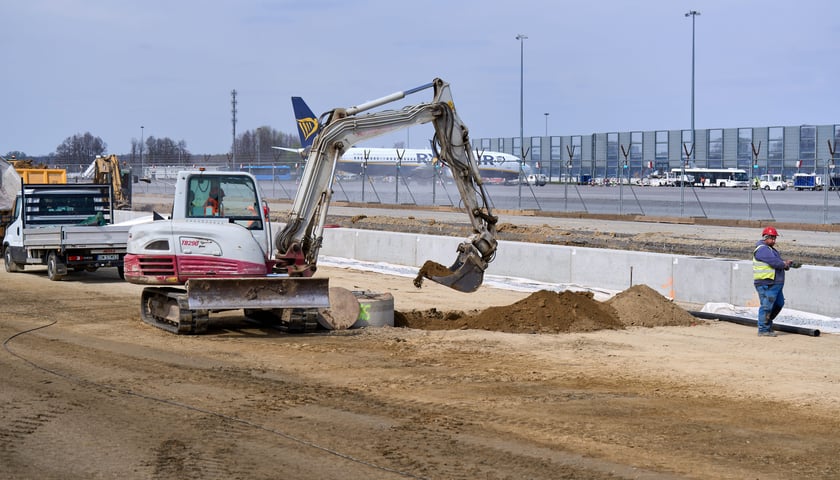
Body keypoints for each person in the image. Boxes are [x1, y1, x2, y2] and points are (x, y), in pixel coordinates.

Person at [752, 226, 793, 337]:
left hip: (775, 284)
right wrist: (784, 264)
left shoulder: (770, 249)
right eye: (772, 238)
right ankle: (763, 329)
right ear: (765, 237)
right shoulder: (762, 249)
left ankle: (767, 325)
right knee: (766, 306)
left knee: (779, 304)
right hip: (766, 283)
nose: (774, 240)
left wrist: (785, 263)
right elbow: (774, 262)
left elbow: (777, 262)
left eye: (775, 238)